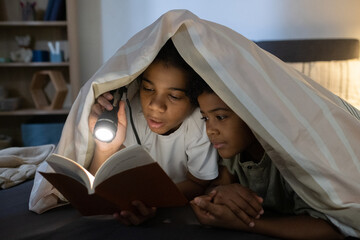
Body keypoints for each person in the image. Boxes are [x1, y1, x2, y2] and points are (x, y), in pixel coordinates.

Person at [190, 80, 344, 239]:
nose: (210, 130)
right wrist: (220, 193)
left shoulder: (292, 157)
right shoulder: (231, 151)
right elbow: (217, 185)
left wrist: (245, 223)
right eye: (205, 118)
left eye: (220, 117)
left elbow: (331, 230)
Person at [88, 39, 218, 225]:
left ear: (194, 100)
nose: (155, 106)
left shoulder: (199, 122)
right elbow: (98, 183)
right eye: (148, 88)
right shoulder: (129, 113)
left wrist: (154, 201)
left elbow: (198, 183)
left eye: (174, 96)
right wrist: (104, 148)